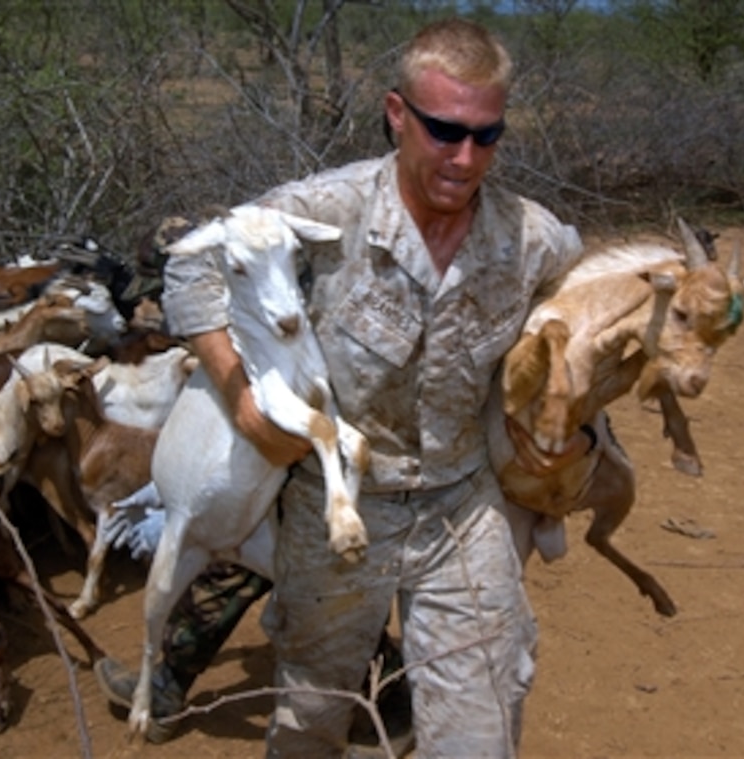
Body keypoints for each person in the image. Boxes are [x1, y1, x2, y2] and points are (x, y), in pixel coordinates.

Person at [98, 16, 590, 758]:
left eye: (486, 136)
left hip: (463, 502)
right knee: (312, 713)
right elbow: (193, 268)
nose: (464, 158)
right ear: (398, 114)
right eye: (443, 130)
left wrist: (566, 411)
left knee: (482, 721)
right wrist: (238, 395)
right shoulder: (326, 209)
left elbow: (581, 302)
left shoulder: (531, 236)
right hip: (339, 509)